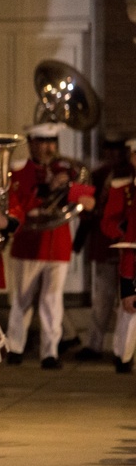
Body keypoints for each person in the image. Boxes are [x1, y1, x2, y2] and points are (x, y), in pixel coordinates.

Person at [4, 122, 96, 369]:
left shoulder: (65, 170)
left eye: (52, 143)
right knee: (22, 299)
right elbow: (17, 203)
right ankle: (14, 347)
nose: (48, 148)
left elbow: (89, 198)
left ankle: (50, 352)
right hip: (29, 243)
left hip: (58, 243)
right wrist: (46, 190)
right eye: (42, 142)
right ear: (32, 143)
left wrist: (67, 187)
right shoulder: (19, 170)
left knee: (52, 301)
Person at [76, 137, 134, 363]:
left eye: (117, 150)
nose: (113, 154)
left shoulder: (128, 176)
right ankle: (95, 344)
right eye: (108, 149)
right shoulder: (99, 174)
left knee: (127, 300)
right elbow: (84, 209)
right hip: (105, 245)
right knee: (102, 299)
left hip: (128, 248)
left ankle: (124, 352)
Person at [98, 137, 136, 373]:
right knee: (130, 308)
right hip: (132, 254)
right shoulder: (123, 187)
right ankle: (123, 355)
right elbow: (108, 222)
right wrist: (123, 230)